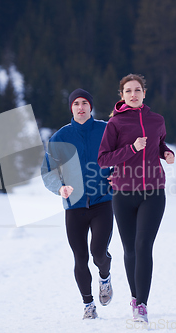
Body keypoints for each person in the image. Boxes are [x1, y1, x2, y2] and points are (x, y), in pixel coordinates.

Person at [97, 74, 175, 323]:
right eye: (128, 91)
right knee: (130, 249)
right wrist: (132, 148)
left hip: (153, 191)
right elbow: (103, 159)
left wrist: (167, 152)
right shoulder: (115, 124)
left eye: (137, 90)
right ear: (122, 96)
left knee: (144, 246)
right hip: (122, 193)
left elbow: (159, 144)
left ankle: (142, 304)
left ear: (144, 93)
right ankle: (134, 296)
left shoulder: (157, 120)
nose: (133, 94)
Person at [41, 88, 114, 320]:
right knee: (80, 257)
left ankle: (105, 276)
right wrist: (59, 188)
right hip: (74, 206)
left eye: (85, 103)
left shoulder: (105, 130)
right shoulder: (60, 138)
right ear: (71, 108)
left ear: (91, 107)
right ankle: (88, 304)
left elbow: (122, 157)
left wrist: (117, 174)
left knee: (99, 252)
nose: (81, 107)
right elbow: (47, 172)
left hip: (103, 201)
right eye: (76, 104)